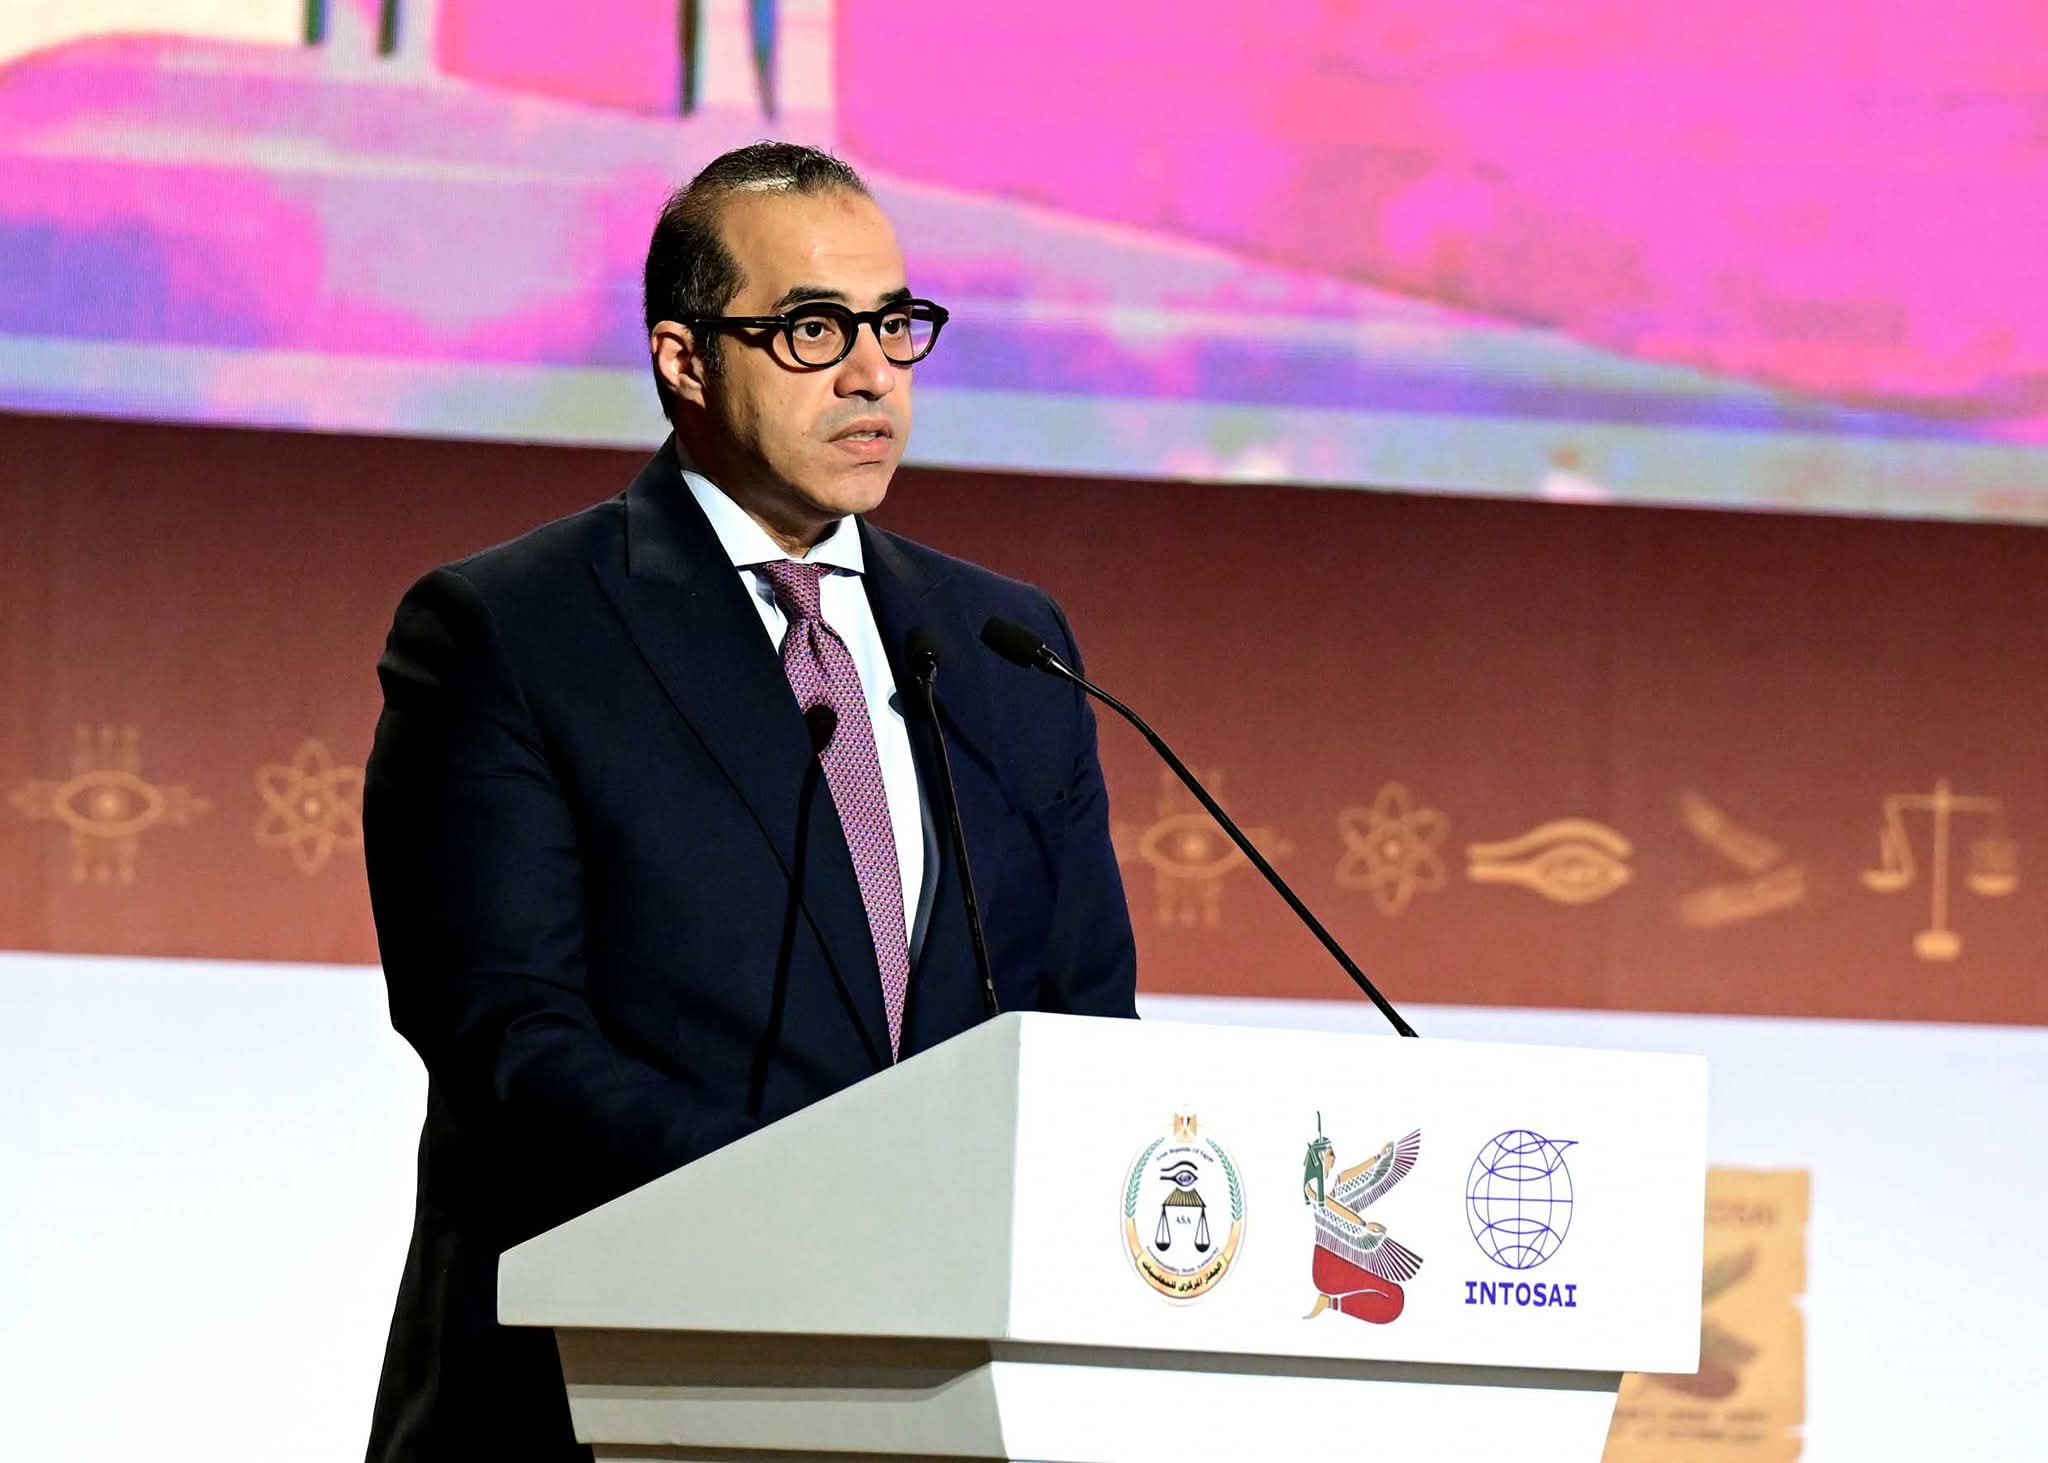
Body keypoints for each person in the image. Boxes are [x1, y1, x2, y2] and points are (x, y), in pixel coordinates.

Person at [361, 142, 1139, 1461]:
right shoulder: (511, 633)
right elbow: (510, 1042)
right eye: (813, 329)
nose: (871, 373)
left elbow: (1083, 1036)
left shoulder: (1005, 646)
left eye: (894, 324)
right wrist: (827, 1196)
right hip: (611, 1389)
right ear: (683, 359)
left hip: (946, 1399)